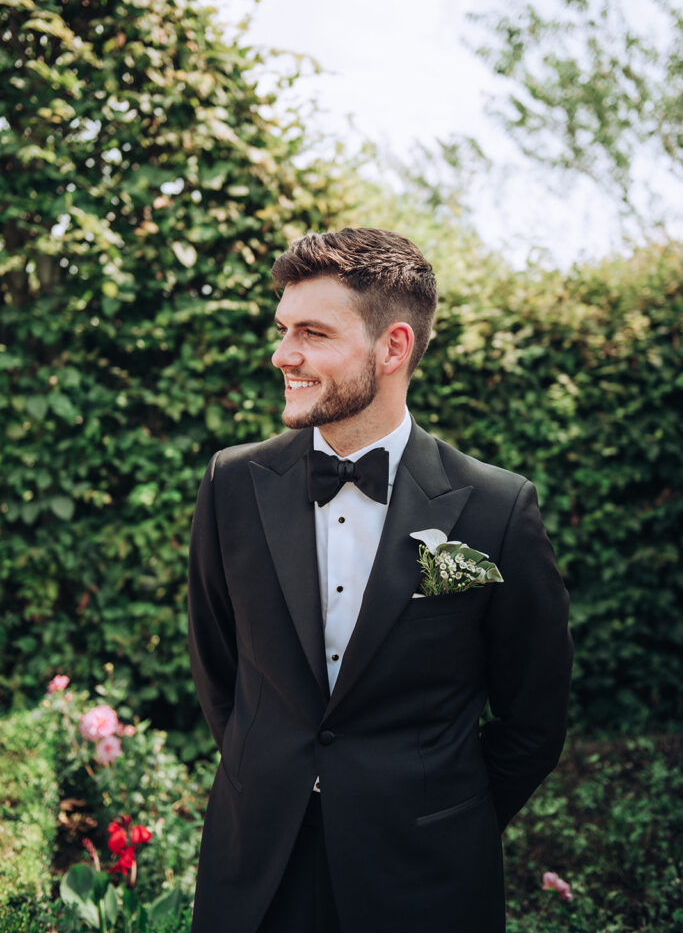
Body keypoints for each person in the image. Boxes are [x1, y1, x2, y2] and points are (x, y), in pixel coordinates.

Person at [187, 227, 573, 933]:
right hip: (255, 874)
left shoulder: (495, 508)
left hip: (425, 883)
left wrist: (439, 816)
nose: (283, 355)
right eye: (282, 330)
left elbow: (533, 719)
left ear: (392, 347)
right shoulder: (232, 482)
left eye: (313, 333)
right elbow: (220, 673)